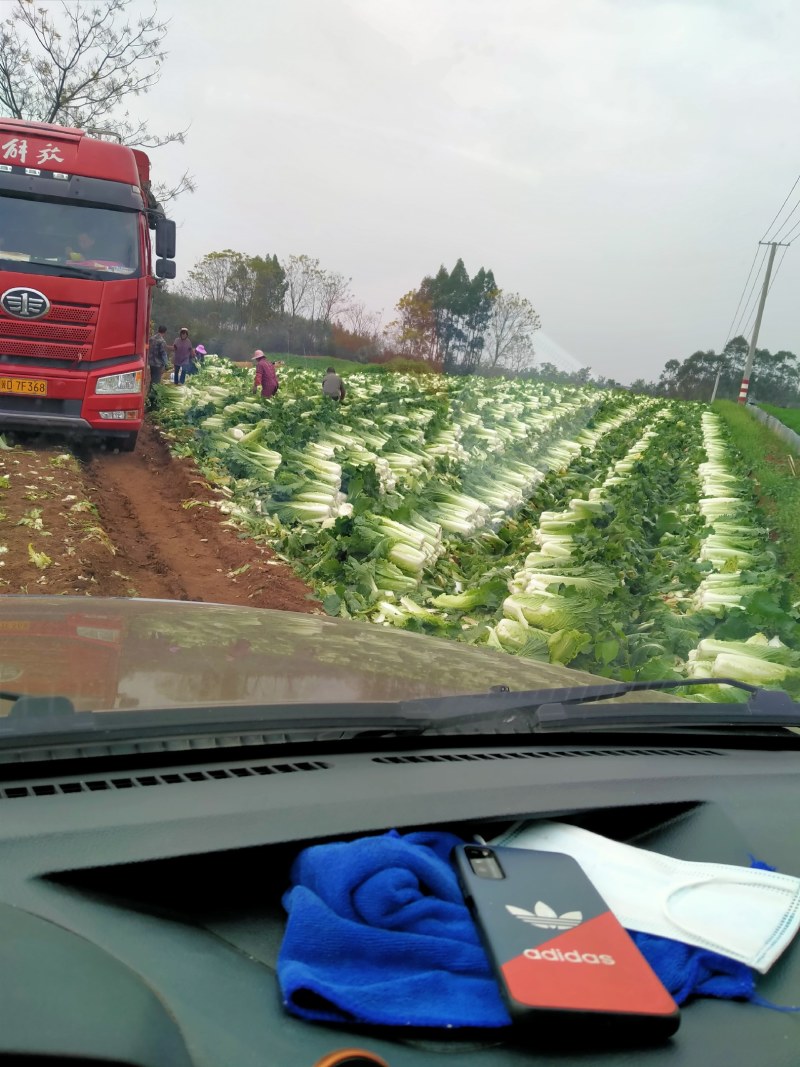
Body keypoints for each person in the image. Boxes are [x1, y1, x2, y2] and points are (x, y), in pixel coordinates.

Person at [147, 325, 169, 404]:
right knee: (156, 382)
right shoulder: (162, 341)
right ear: (165, 332)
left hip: (151, 363)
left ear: (158, 330)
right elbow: (163, 353)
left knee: (152, 380)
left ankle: (149, 397)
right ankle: (152, 399)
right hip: (158, 364)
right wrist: (166, 364)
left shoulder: (151, 339)